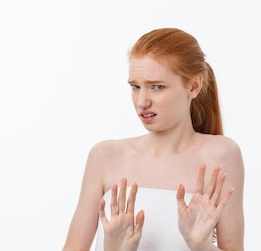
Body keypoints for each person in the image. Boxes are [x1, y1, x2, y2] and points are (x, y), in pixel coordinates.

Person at [62, 28, 245, 251]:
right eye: (135, 87)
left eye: (157, 87)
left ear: (194, 86)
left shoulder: (221, 155)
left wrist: (201, 246)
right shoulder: (104, 157)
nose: (142, 102)